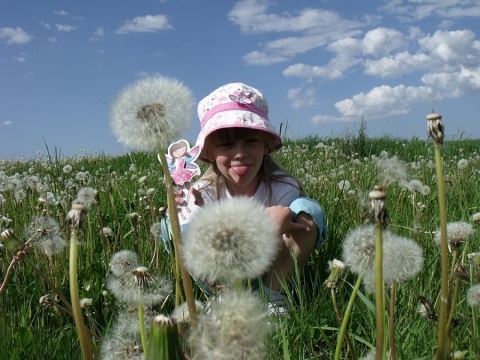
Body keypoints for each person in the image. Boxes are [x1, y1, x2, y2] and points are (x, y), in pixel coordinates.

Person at [175, 82, 327, 313]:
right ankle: (222, 296)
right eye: (226, 144)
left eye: (251, 142)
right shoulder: (203, 191)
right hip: (223, 273)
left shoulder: (282, 187)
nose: (239, 154)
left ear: (266, 146)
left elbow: (289, 235)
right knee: (175, 224)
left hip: (272, 271)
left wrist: (278, 222)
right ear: (209, 153)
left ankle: (274, 297)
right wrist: (179, 209)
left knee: (309, 211)